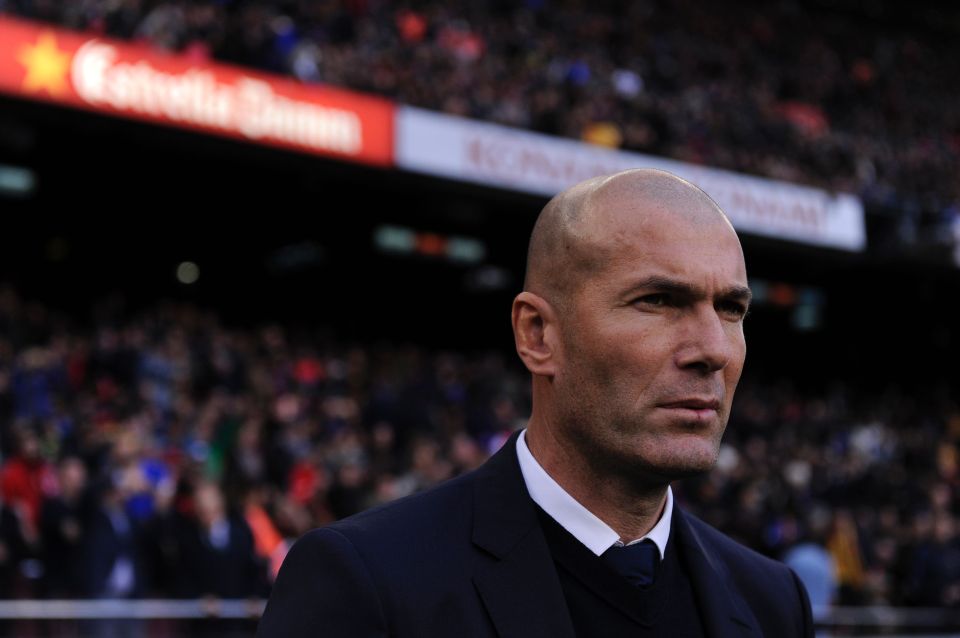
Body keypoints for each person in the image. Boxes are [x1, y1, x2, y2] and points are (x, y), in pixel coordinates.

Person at [257, 168, 814, 637]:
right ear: (538, 335)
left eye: (732, 310)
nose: (714, 350)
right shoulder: (367, 583)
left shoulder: (774, 602)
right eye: (659, 301)